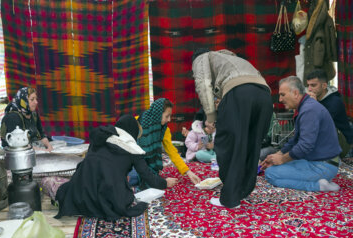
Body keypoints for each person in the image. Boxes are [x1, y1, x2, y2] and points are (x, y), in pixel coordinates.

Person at [55, 115, 178, 220]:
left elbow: (95, 163)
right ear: (132, 131)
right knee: (123, 195)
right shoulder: (132, 148)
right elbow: (147, 175)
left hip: (82, 189)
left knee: (62, 188)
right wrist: (164, 183)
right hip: (107, 194)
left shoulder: (101, 136)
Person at [192, 49, 273, 208]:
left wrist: (211, 116)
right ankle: (242, 190)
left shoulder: (202, 57)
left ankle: (229, 199)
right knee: (251, 143)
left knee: (228, 143)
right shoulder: (232, 58)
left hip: (239, 93)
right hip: (264, 95)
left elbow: (203, 84)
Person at [261, 76, 342, 192]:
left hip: (323, 166)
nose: (280, 99)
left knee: (271, 174)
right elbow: (295, 140)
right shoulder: (306, 107)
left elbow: (305, 146)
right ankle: (319, 180)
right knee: (275, 166)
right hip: (317, 161)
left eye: (282, 94)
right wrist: (278, 155)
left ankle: (318, 186)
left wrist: (282, 159)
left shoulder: (309, 110)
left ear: (295, 93)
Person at [137, 98, 201, 187]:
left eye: (170, 116)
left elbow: (172, 151)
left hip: (146, 168)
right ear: (158, 114)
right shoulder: (138, 123)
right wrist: (161, 182)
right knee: (134, 177)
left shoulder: (164, 129)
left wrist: (188, 172)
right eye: (167, 116)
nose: (169, 120)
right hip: (132, 164)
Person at [306, 69, 353, 158]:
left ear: (324, 85)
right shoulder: (315, 99)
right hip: (328, 142)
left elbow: (320, 122)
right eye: (308, 85)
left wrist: (314, 105)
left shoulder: (335, 102)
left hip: (343, 144)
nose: (309, 89)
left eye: (313, 85)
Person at [0, 87, 53, 151]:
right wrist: (44, 151)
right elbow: (19, 145)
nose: (36, 102)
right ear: (23, 101)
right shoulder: (13, 117)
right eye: (32, 99)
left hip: (34, 148)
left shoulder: (33, 114)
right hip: (16, 153)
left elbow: (41, 134)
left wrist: (49, 146)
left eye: (36, 99)